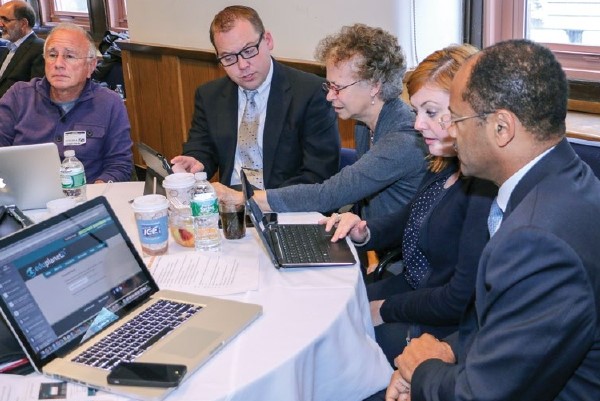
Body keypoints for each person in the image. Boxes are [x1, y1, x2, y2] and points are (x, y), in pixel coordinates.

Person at [374, 39, 600, 401]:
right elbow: (511, 330)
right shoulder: (567, 182)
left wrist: (421, 371)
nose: (450, 132)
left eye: (458, 119)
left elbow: (482, 394)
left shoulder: (536, 240)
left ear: (501, 128)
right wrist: (446, 351)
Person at [321, 44, 496, 366]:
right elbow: (411, 215)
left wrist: (384, 309)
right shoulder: (445, 161)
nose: (417, 125)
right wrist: (364, 232)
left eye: (430, 112)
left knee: (337, 344)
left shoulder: (483, 186)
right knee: (326, 309)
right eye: (416, 112)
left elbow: (459, 299)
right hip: (415, 289)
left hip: (445, 320)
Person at [215, 23, 427, 220]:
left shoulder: (403, 139)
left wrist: (244, 198)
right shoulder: (365, 123)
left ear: (374, 86)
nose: (329, 96)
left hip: (397, 254)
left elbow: (328, 194)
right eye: (329, 86)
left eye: (338, 88)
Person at [171, 5, 340, 190]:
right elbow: (202, 146)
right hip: (229, 204)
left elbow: (319, 173)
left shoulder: (311, 92)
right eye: (228, 58)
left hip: (285, 206)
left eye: (249, 50)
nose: (242, 65)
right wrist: (196, 161)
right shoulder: (209, 95)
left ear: (267, 41)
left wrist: (257, 201)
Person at [0, 23, 133, 183]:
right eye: (52, 55)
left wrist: (98, 189)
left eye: (69, 56)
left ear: (91, 66)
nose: (58, 64)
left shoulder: (109, 103)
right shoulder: (19, 96)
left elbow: (119, 164)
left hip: (85, 197)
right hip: (24, 198)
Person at [0, 1, 44, 98]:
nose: (0, 24)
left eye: (5, 20)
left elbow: (35, 94)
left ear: (23, 23)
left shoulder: (39, 49)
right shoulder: (8, 47)